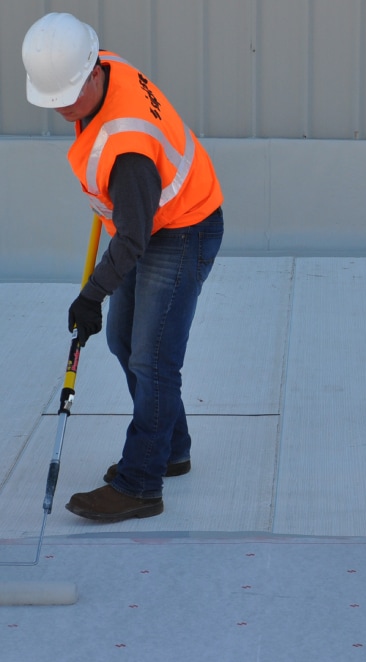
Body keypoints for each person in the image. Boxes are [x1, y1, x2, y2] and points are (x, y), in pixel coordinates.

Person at [22, 12, 224, 522]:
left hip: (181, 230)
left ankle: (140, 485)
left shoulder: (127, 147)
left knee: (152, 360)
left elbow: (134, 237)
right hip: (148, 223)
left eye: (67, 96)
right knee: (123, 342)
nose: (62, 107)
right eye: (54, 99)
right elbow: (131, 224)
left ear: (92, 72)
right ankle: (171, 448)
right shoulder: (101, 69)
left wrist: (92, 294)